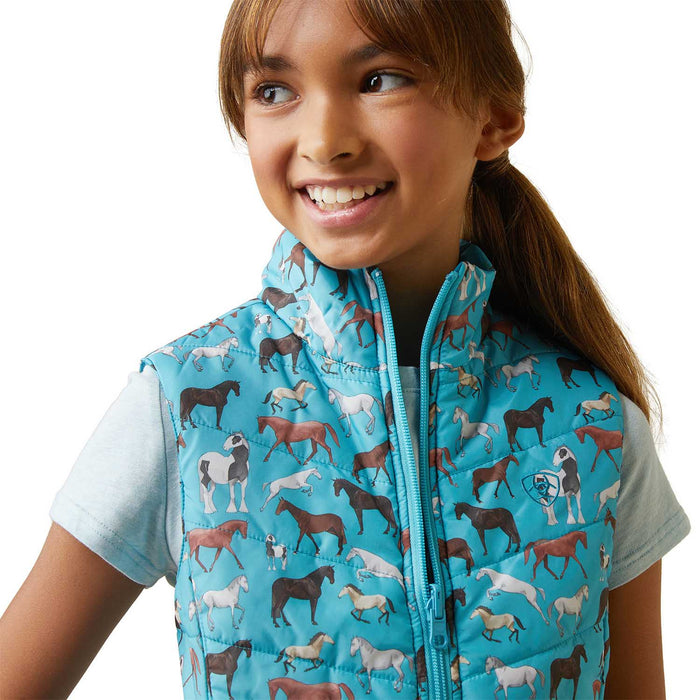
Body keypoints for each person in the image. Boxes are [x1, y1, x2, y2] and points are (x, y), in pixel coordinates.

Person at [0, 0, 691, 698]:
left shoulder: (596, 425)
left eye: (380, 80)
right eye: (276, 91)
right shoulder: (177, 408)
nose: (325, 140)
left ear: (494, 118)